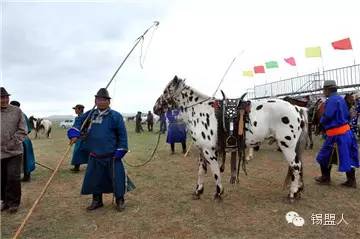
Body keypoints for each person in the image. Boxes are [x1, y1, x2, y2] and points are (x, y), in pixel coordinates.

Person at [67, 88, 132, 211]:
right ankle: (97, 201)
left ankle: (120, 200)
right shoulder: (90, 115)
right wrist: (74, 133)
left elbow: (122, 134)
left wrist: (122, 148)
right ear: (95, 101)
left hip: (112, 155)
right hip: (94, 154)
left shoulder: (115, 116)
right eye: (98, 99)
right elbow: (79, 121)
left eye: (103, 100)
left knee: (117, 178)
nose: (101, 102)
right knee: (94, 179)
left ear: (108, 102)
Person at [315, 80, 359, 188]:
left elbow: (328, 115)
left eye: (324, 89)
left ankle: (325, 178)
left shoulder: (331, 100)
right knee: (347, 156)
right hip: (346, 133)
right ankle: (351, 181)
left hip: (336, 135)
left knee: (323, 156)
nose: (323, 92)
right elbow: (348, 115)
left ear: (328, 89)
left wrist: (321, 123)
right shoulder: (341, 99)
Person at [1, 87, 27, 213]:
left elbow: (23, 130)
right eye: (1, 98)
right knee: (2, 178)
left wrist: (12, 143)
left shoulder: (16, 111)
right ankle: (4, 201)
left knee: (13, 177)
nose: (4, 100)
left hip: (14, 151)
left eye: (6, 97)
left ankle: (14, 203)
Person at [9, 100, 36, 182]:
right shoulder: (23, 114)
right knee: (27, 158)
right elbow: (29, 130)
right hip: (26, 140)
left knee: (23, 159)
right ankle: (26, 176)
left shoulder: (17, 115)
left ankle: (25, 177)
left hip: (20, 140)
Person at [70, 104, 89, 172]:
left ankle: (89, 166)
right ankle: (76, 167)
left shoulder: (86, 117)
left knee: (82, 151)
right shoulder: (77, 118)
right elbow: (75, 127)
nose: (75, 110)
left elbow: (87, 127)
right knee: (77, 151)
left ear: (80, 109)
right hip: (78, 137)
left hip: (83, 137)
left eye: (76, 109)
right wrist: (73, 136)